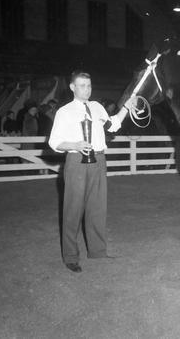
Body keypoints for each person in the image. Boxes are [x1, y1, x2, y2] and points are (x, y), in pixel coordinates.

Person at [48, 70, 133, 273]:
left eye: (89, 85)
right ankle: (70, 256)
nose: (87, 90)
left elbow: (112, 126)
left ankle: (97, 251)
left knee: (97, 207)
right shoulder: (64, 112)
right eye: (82, 86)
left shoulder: (96, 107)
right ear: (72, 87)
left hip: (99, 160)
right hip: (76, 160)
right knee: (73, 210)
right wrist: (75, 144)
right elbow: (54, 142)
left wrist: (126, 109)